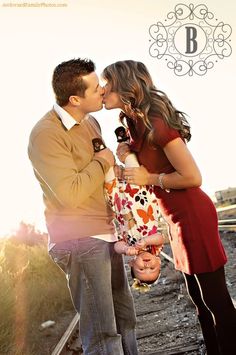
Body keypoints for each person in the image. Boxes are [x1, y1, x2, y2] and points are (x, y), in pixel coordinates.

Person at [102, 60, 236, 355]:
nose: (101, 89)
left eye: (106, 82)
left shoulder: (156, 122)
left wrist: (148, 176)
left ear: (124, 85)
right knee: (198, 300)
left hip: (193, 214)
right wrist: (127, 156)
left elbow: (192, 176)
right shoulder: (132, 123)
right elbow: (144, 179)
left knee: (217, 302)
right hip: (176, 219)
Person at [28, 58, 138, 355]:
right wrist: (103, 160)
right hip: (79, 240)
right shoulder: (45, 135)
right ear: (75, 99)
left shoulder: (90, 121)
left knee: (125, 322)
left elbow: (102, 176)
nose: (103, 89)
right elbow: (71, 193)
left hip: (106, 232)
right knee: (103, 335)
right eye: (95, 87)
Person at [92, 133, 165, 291]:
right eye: (152, 268)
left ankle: (100, 150)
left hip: (118, 199)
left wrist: (125, 249)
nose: (147, 265)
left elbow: (117, 246)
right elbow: (160, 237)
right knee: (132, 162)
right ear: (158, 262)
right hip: (140, 194)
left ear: (132, 264)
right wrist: (145, 241)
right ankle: (124, 141)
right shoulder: (155, 248)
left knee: (109, 175)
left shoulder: (130, 249)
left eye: (141, 269)